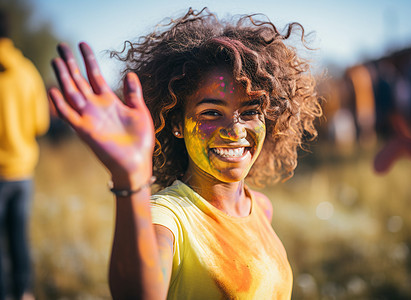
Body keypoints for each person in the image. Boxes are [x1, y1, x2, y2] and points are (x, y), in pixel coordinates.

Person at [49, 8, 322, 299]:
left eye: (250, 111)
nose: (235, 130)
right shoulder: (167, 217)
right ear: (177, 124)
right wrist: (129, 177)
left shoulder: (262, 209)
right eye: (212, 112)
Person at [0, 9, 49, 300]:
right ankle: (25, 292)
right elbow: (40, 123)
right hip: (23, 172)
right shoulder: (27, 71)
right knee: (19, 239)